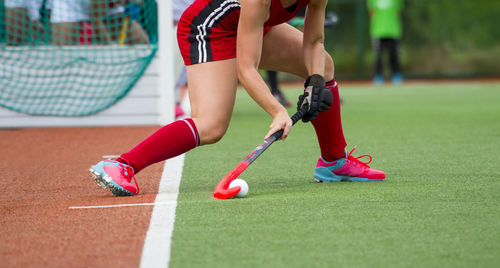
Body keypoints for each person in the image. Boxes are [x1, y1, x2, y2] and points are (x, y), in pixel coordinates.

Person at [89, 0, 386, 196]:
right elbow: (246, 68)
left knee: (324, 64)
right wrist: (277, 111)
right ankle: (123, 165)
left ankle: (333, 162)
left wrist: (315, 82)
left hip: (255, 27)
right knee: (210, 126)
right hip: (209, 30)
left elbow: (314, 41)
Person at [367, 0, 404, 85]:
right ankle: (378, 77)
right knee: (378, 56)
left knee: (394, 54)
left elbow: (399, 11)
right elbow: (371, 12)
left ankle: (396, 76)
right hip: (377, 31)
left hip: (393, 30)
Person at [172, 0, 195, 118]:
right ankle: (176, 103)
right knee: (175, 73)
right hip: (171, 28)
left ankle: (181, 105)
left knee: (187, 72)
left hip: (193, 28)